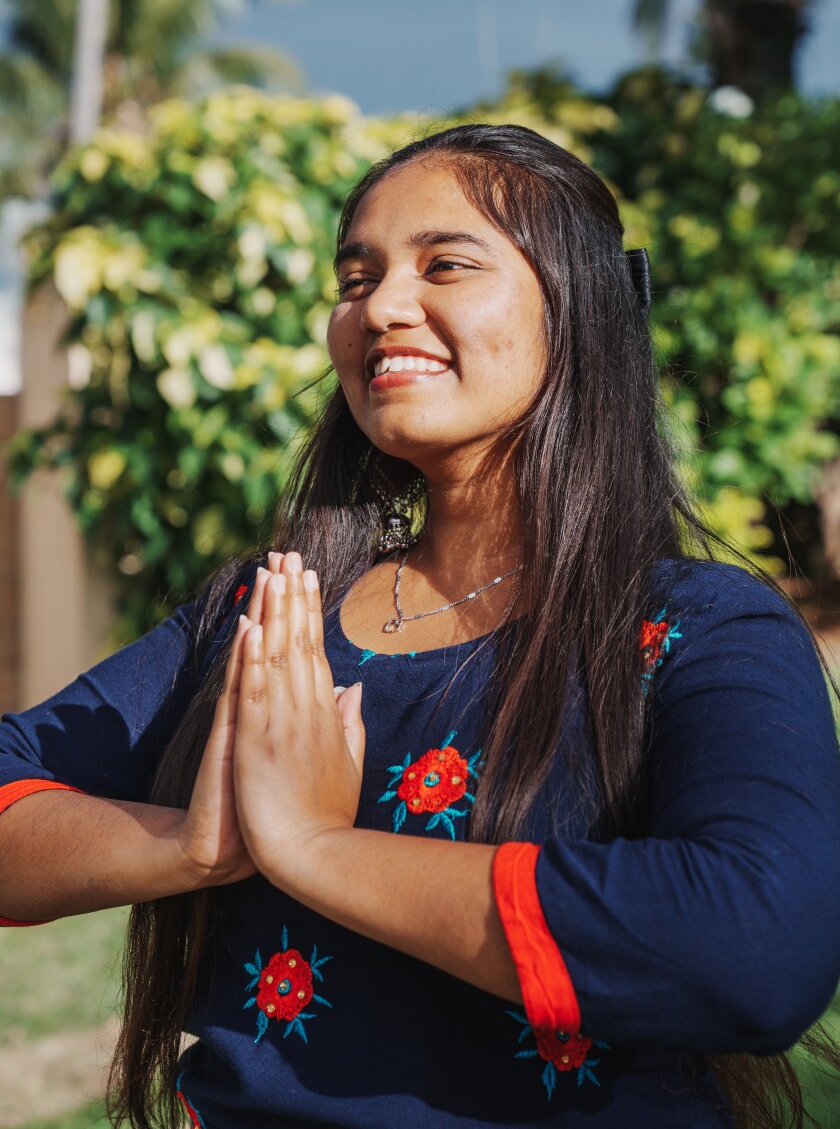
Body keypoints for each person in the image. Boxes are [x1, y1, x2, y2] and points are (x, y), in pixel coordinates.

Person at [0, 123, 838, 1129]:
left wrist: (312, 846)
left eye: (445, 264)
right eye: (356, 281)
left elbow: (756, 948)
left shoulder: (695, 628)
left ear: (582, 312)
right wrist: (196, 844)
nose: (382, 308)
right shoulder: (266, 615)